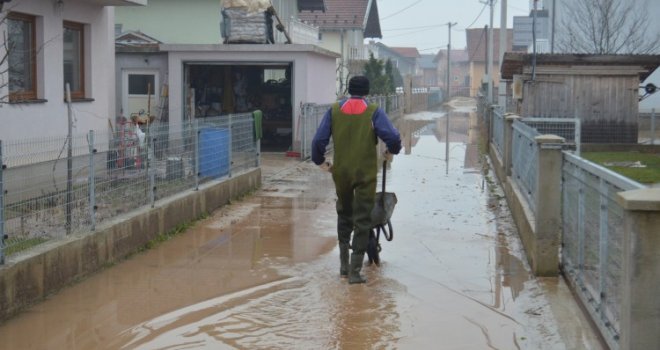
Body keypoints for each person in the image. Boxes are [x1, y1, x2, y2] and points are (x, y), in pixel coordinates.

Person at [311, 76, 402, 284]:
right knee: (362, 219)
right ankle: (355, 272)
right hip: (365, 174)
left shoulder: (334, 110)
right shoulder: (373, 112)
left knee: (344, 213)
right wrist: (391, 151)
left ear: (349, 90)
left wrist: (321, 161)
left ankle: (343, 267)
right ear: (367, 91)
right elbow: (394, 137)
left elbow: (318, 140)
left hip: (341, 172)